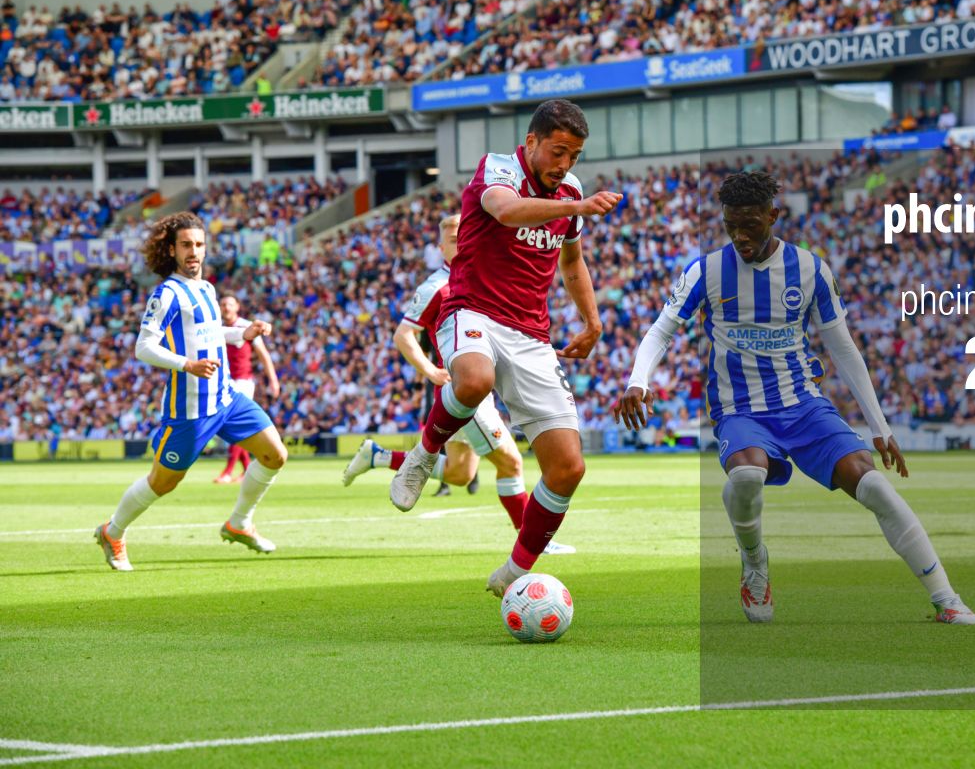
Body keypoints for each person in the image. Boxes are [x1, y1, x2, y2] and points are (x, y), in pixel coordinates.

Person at [616, 171, 975, 625]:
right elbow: (661, 331)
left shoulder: (810, 270)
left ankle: (946, 598)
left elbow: (843, 348)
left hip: (803, 405)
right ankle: (754, 561)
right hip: (740, 409)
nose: (739, 236)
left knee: (873, 485)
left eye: (750, 225)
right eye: (731, 225)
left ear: (773, 215)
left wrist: (879, 426)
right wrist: (637, 380)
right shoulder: (705, 271)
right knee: (747, 475)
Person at [389, 99, 621, 597]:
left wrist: (592, 319)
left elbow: (572, 262)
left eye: (574, 157)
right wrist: (578, 207)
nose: (565, 165)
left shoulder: (570, 192)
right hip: (472, 309)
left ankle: (515, 573)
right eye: (558, 152)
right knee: (475, 380)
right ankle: (423, 456)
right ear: (531, 141)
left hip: (531, 334)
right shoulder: (499, 168)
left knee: (568, 467)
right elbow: (506, 210)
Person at [342, 214, 574, 554]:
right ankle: (534, 542)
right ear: (441, 248)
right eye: (452, 239)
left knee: (459, 474)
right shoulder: (436, 286)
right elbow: (404, 334)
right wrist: (430, 371)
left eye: (464, 235)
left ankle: (379, 456)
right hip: (462, 392)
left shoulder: (478, 276)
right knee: (511, 463)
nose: (460, 242)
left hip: (477, 388)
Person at [94, 212, 288, 571]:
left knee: (275, 455)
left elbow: (210, 334)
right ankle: (113, 530)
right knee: (163, 482)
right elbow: (143, 347)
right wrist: (187, 365)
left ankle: (239, 523)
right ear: (172, 250)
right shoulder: (167, 294)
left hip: (226, 397)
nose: (194, 251)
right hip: (190, 409)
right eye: (186, 244)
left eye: (199, 244)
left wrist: (242, 334)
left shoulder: (207, 288)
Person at [214, 295, 280, 483]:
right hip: (225, 382)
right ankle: (246, 470)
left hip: (243, 381)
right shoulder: (217, 328)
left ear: (237, 307)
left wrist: (273, 380)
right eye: (223, 304)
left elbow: (263, 355)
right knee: (230, 425)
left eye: (229, 304)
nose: (226, 307)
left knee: (233, 422)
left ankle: (228, 472)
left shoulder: (247, 326)